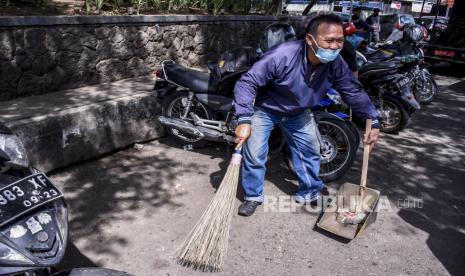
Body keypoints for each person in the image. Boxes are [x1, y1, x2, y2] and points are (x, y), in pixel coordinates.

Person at [233, 14, 380, 217]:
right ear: (310, 40)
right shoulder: (282, 55)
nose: (335, 47)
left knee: (310, 151)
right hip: (266, 110)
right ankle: (253, 196)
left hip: (298, 112)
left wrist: (374, 120)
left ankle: (309, 192)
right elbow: (247, 83)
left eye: (340, 40)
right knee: (255, 154)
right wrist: (244, 118)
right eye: (329, 41)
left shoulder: (336, 63)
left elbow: (352, 91)